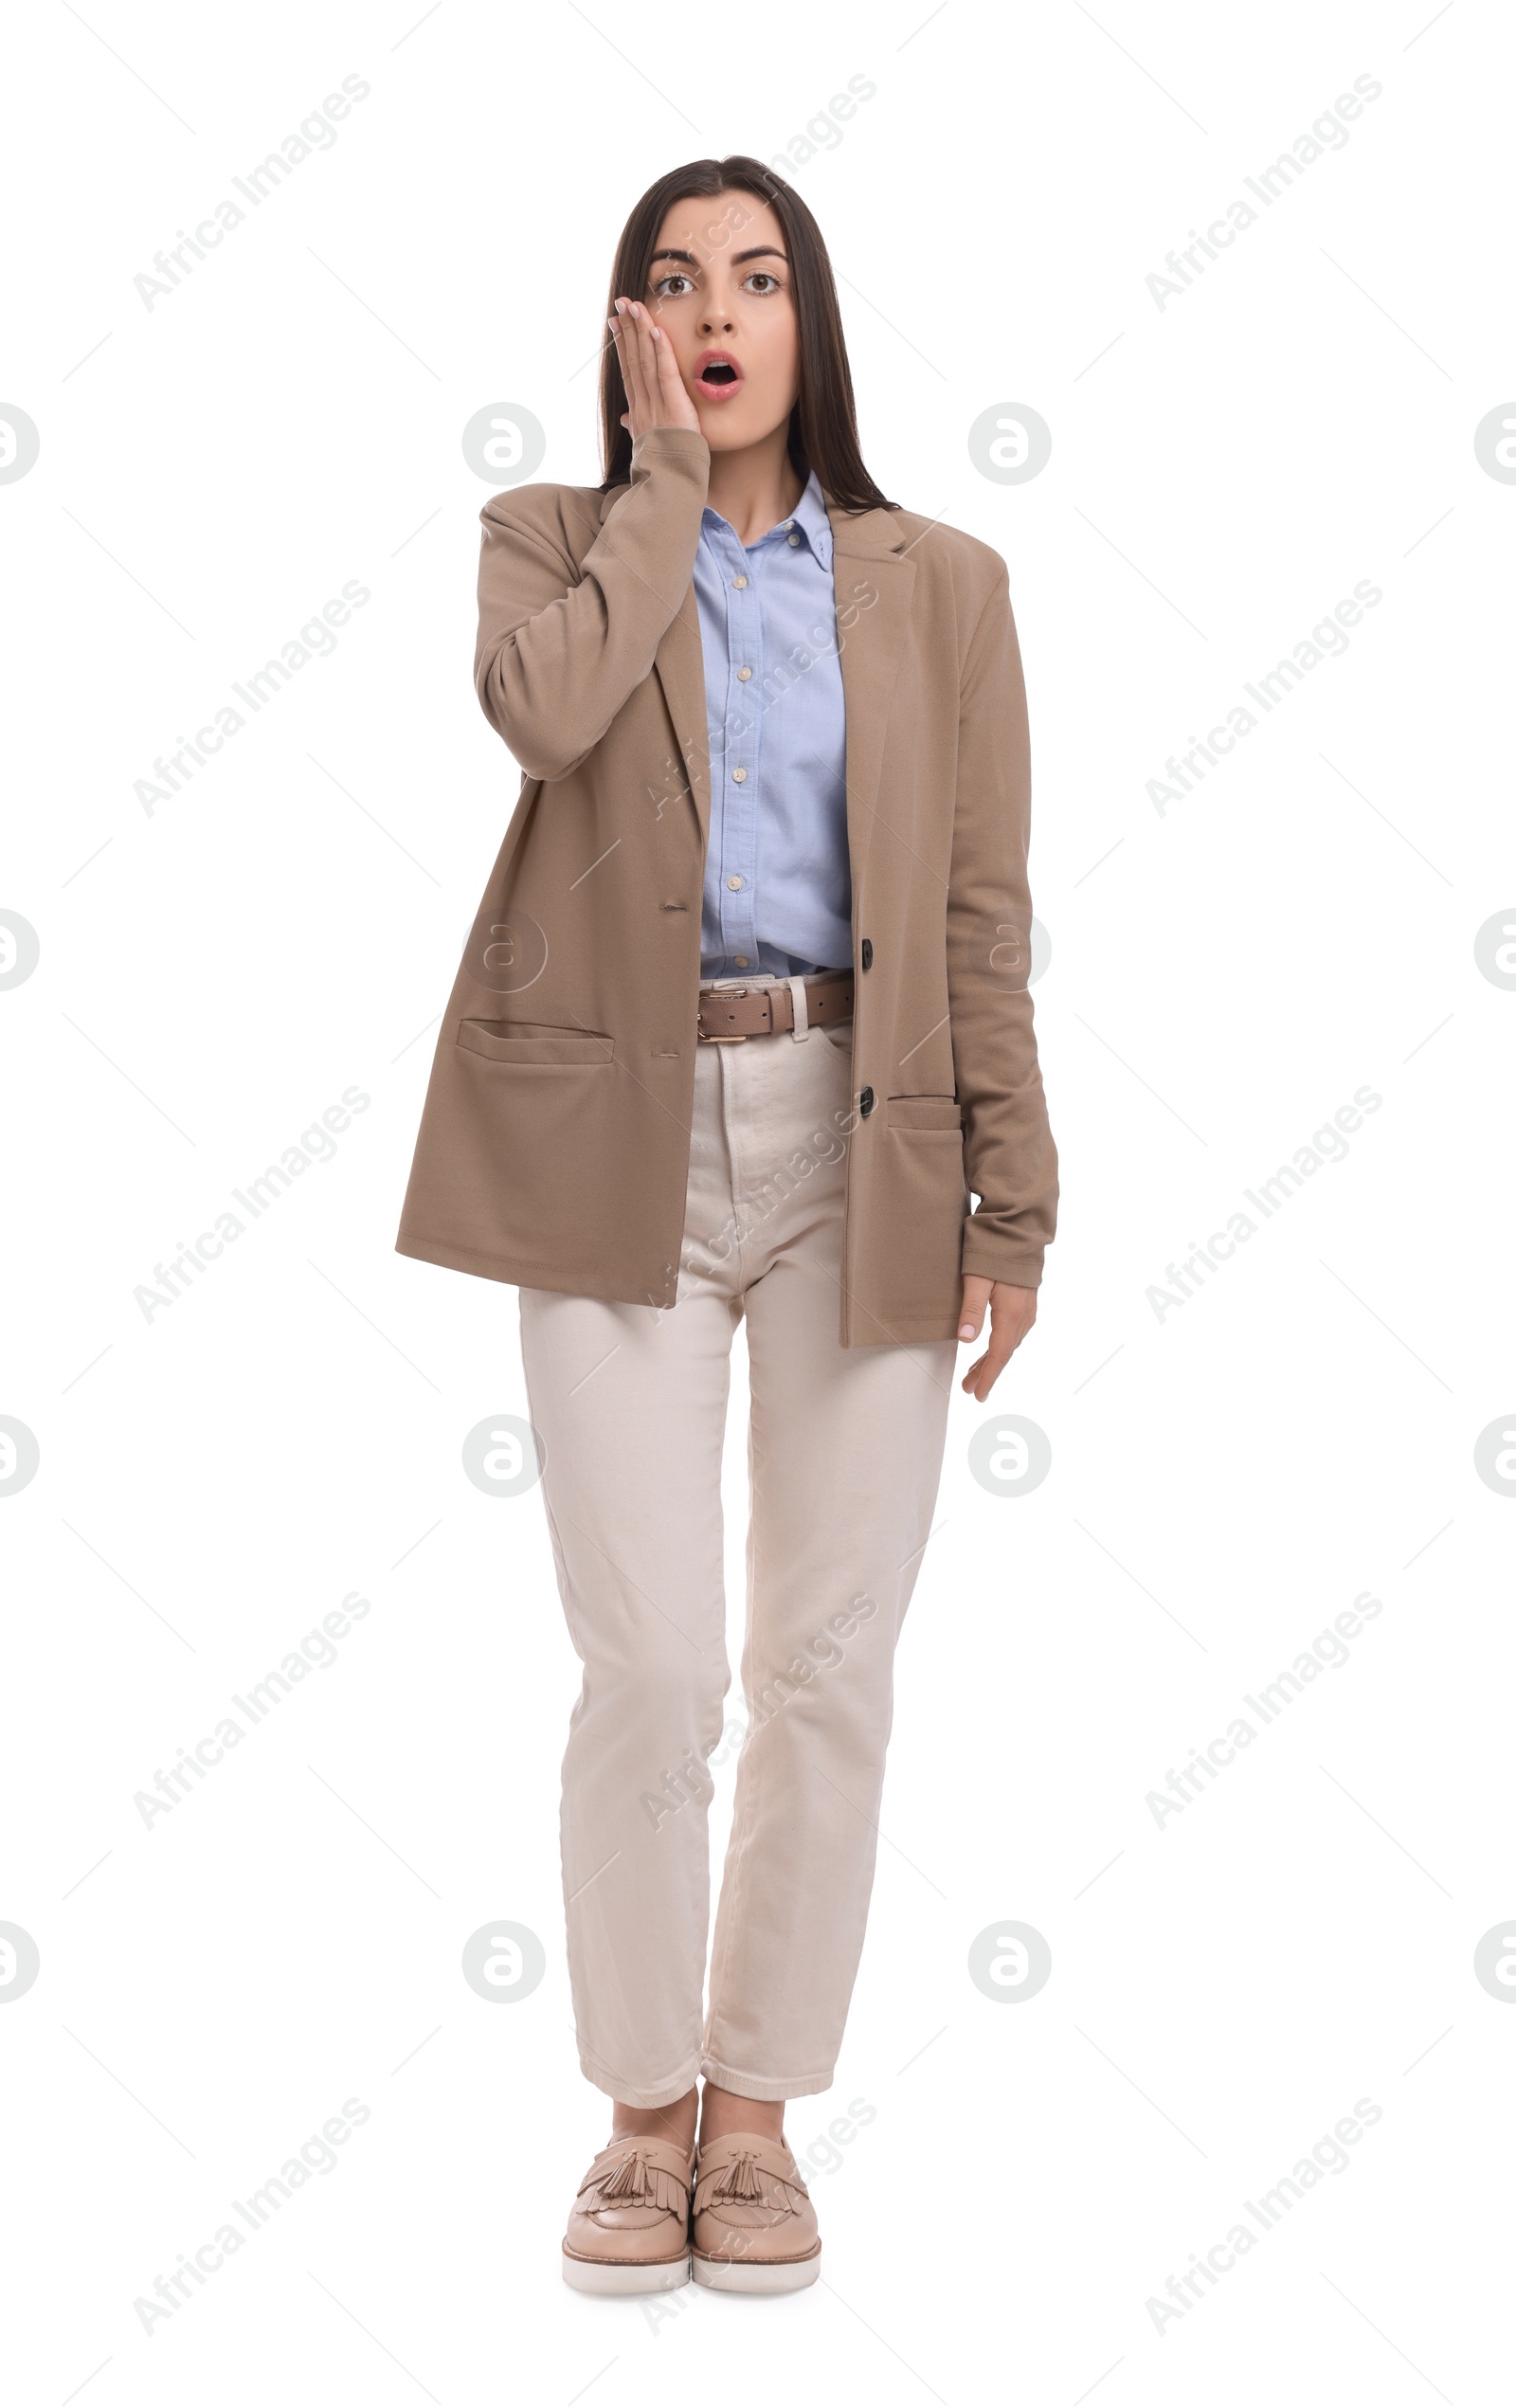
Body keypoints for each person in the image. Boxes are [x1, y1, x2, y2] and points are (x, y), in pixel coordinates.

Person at [396, 154, 1057, 2292]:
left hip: (863, 1125)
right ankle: (636, 2113)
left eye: (757, 279)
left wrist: (1011, 1197)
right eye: (671, 281)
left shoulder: (938, 583)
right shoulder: (549, 547)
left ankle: (757, 2119)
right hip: (613, 1147)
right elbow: (543, 714)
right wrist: (656, 490)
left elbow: (975, 908)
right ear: (623, 329)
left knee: (827, 1660)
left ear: (813, 319)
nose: (717, 308)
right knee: (651, 1661)